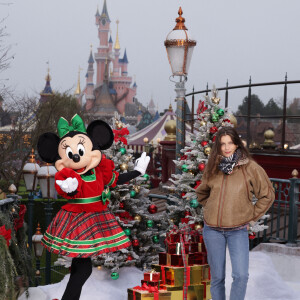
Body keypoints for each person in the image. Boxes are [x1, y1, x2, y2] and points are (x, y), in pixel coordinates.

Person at [37, 114, 150, 300]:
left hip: (95, 216)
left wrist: (137, 172)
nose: (75, 156)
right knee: (84, 270)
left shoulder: (99, 170)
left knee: (80, 269)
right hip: (78, 220)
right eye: (70, 153)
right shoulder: (67, 175)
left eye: (81, 150)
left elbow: (115, 180)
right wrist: (71, 190)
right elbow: (68, 190)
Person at [196, 127, 275, 300]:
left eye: (230, 143)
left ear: (237, 144)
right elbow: (202, 193)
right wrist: (211, 208)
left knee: (241, 276)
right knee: (217, 278)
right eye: (222, 144)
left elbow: (267, 195)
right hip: (212, 230)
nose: (226, 147)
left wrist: (251, 216)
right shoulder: (213, 167)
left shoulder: (250, 167)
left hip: (237, 230)